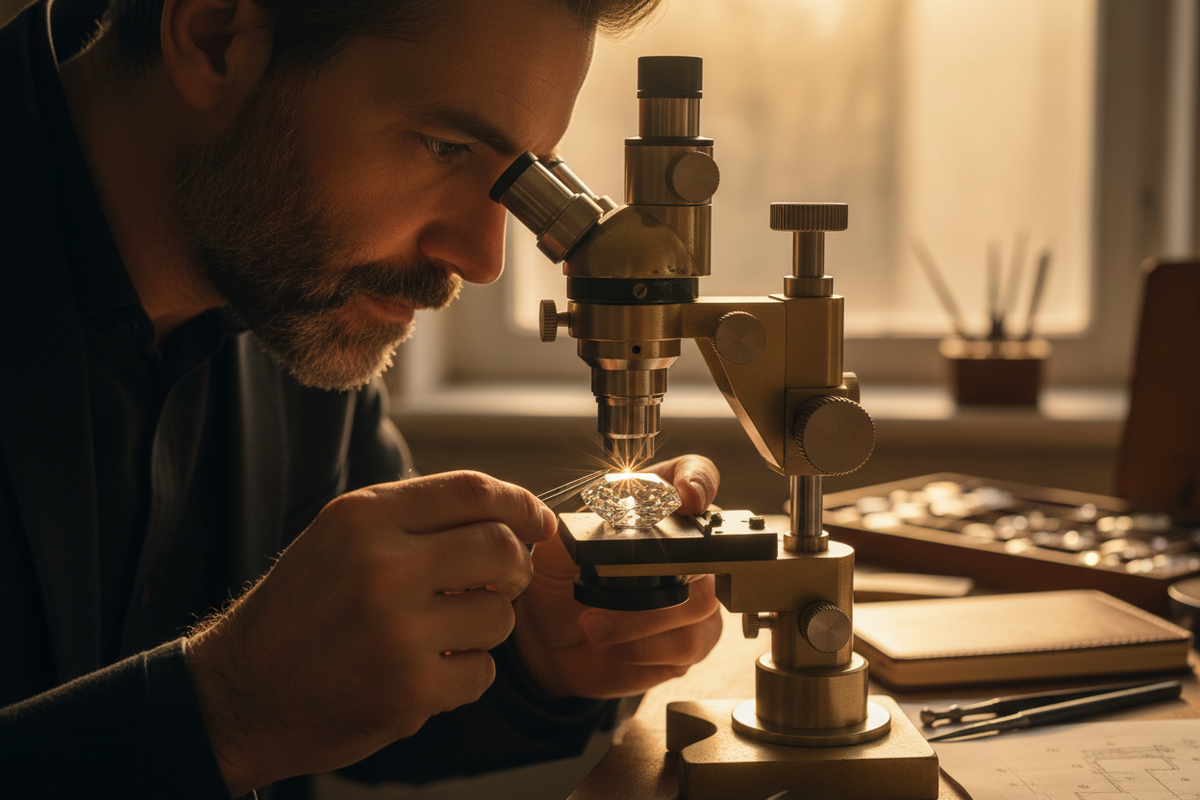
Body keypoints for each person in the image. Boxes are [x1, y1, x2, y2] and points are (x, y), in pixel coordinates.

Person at [0, 0, 725, 797]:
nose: (483, 259)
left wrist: (535, 660)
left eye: (524, 179)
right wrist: (220, 710)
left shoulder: (288, 286)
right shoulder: (302, 266)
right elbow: (253, 706)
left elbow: (328, 697)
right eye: (445, 146)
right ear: (214, 37)